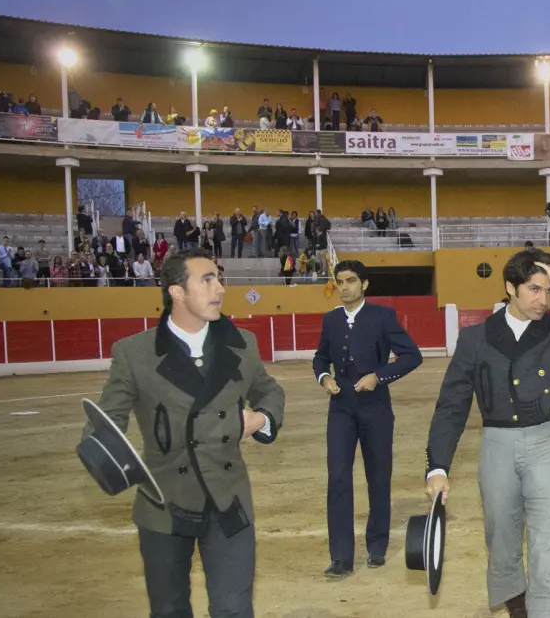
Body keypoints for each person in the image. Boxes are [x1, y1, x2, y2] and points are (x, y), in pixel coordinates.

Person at [79, 248, 285, 617]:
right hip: (163, 502)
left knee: (234, 609)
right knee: (169, 609)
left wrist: (260, 420)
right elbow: (107, 419)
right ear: (176, 292)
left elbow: (269, 391)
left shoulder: (242, 345)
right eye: (207, 280)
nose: (219, 288)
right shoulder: (134, 353)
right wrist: (102, 450)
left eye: (219, 278)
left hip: (228, 500)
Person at [424, 249, 550, 618]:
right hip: (496, 445)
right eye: (534, 289)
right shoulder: (476, 338)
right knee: (501, 537)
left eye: (547, 290)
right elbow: (451, 406)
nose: (543, 299)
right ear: (510, 287)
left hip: (546, 444)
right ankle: (517, 606)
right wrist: (437, 467)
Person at [313, 260, 423, 578]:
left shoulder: (382, 316)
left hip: (375, 407)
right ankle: (341, 557)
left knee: (378, 477)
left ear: (364, 284)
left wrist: (379, 376)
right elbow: (321, 356)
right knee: (337, 478)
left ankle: (376, 546)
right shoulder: (331, 320)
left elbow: (412, 355)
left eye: (351, 281)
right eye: (340, 282)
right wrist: (323, 377)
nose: (345, 287)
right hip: (341, 407)